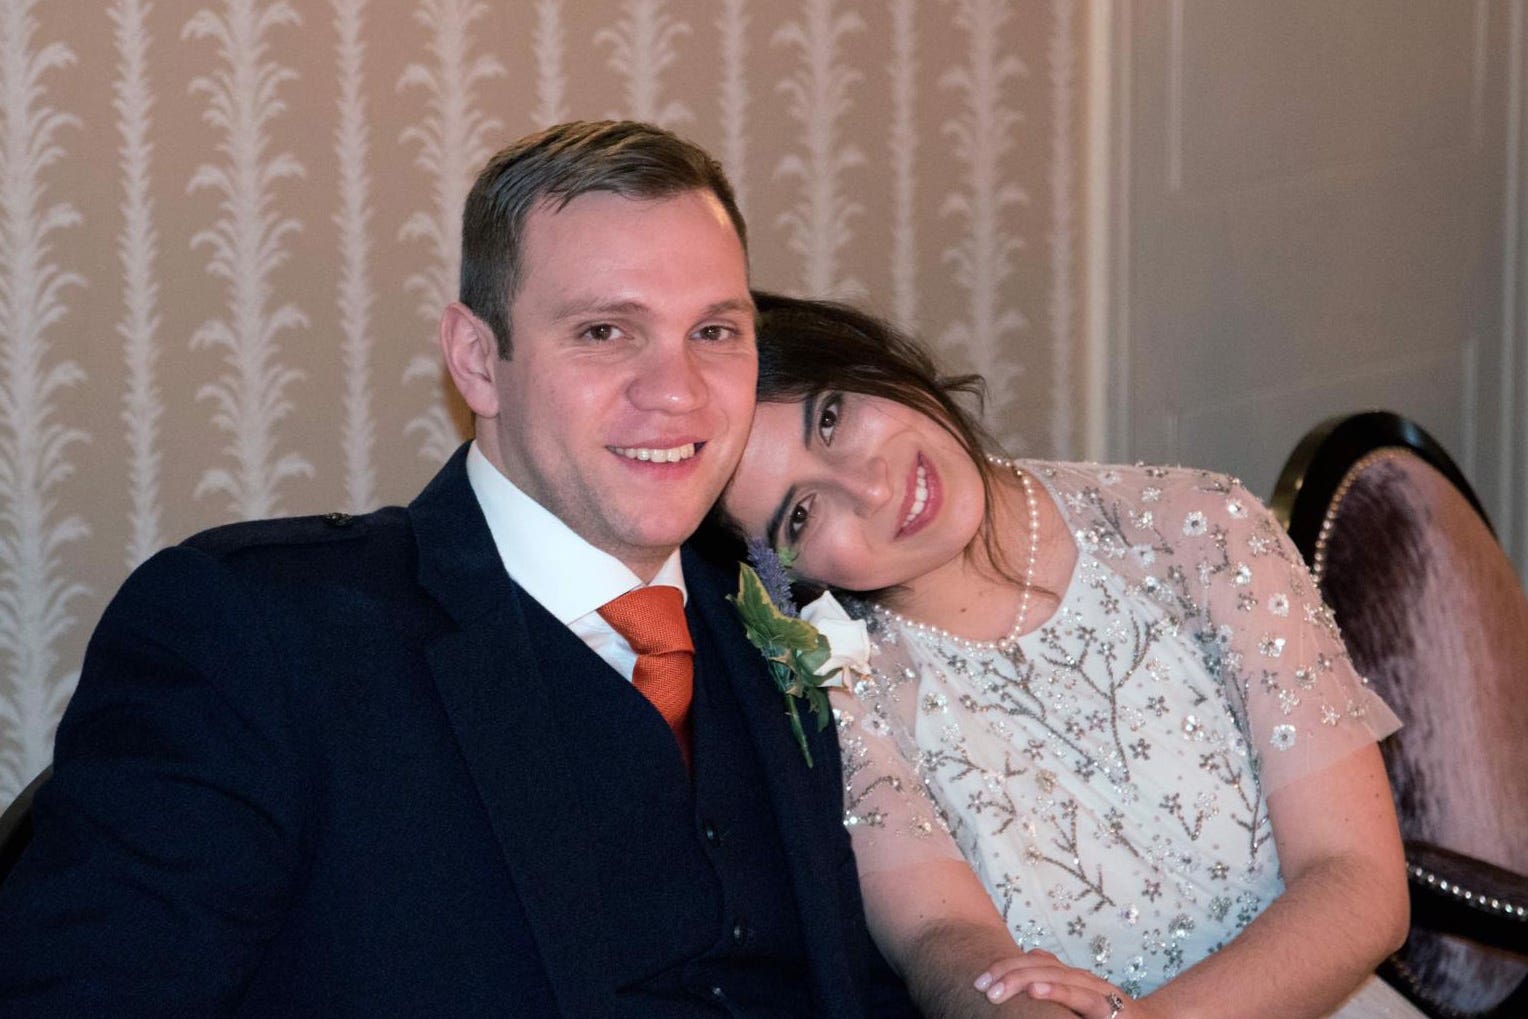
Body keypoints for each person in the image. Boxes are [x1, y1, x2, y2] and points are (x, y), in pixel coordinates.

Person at [0, 124, 918, 1017]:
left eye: (714, 331)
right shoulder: (254, 631)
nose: (675, 390)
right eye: (605, 331)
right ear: (478, 361)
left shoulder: (780, 613)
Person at [715, 292, 1425, 1019]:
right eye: (802, 513)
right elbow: (942, 937)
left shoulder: (1201, 527)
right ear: (789, 577)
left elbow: (1358, 880)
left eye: (830, 416)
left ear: (867, 359)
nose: (868, 486)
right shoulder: (842, 692)